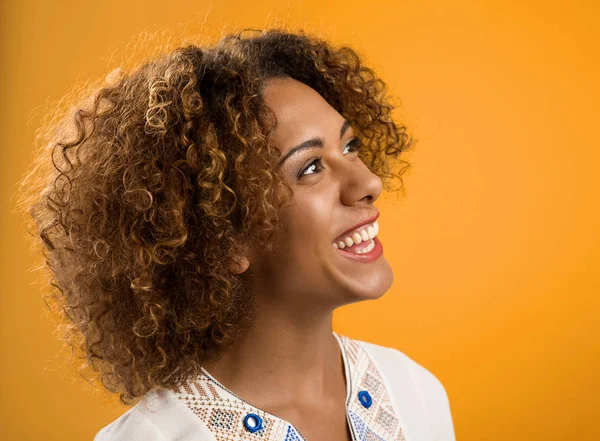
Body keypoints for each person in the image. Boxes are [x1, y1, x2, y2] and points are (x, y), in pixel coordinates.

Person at [16, 28, 456, 441]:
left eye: (349, 147)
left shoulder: (415, 393)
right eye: (311, 168)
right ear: (224, 238)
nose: (369, 184)